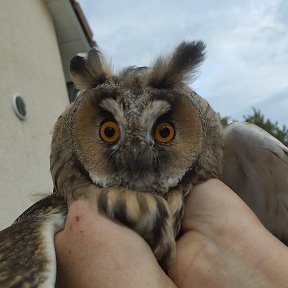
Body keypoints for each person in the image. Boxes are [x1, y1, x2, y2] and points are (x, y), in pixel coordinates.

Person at [55, 179, 288, 287]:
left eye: (164, 132)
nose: (137, 151)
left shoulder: (209, 195)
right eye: (109, 133)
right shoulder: (63, 222)